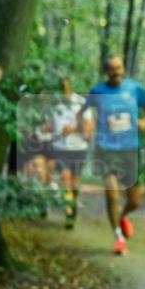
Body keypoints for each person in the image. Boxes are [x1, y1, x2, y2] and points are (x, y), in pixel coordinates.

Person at [84, 55, 145, 255]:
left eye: (119, 67)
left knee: (135, 200)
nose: (116, 71)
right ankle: (119, 238)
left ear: (123, 69)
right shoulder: (98, 91)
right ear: (107, 71)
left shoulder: (135, 89)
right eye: (112, 68)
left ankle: (122, 216)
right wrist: (88, 125)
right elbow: (85, 113)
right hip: (106, 149)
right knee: (112, 194)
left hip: (130, 148)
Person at [50, 76, 93, 228]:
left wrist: (74, 128)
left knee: (75, 183)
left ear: (70, 85)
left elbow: (89, 128)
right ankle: (68, 211)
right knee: (65, 178)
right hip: (60, 148)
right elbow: (50, 126)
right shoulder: (54, 104)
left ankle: (72, 209)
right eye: (60, 85)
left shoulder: (81, 103)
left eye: (66, 84)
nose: (63, 88)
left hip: (79, 148)